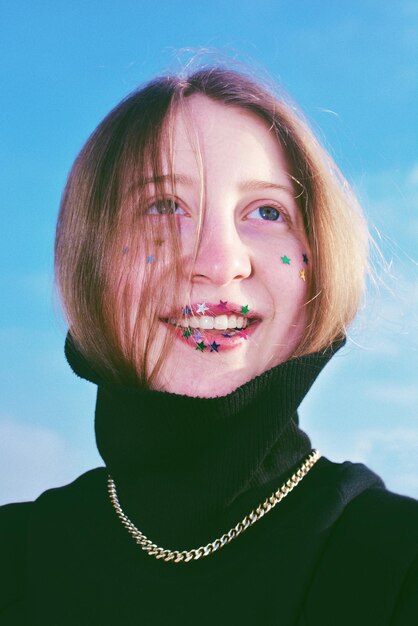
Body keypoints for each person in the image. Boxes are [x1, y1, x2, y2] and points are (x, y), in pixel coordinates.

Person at [1, 66, 417, 625]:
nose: (220, 263)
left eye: (267, 212)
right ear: (91, 264)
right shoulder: (15, 561)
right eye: (164, 207)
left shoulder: (398, 563)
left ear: (317, 267)